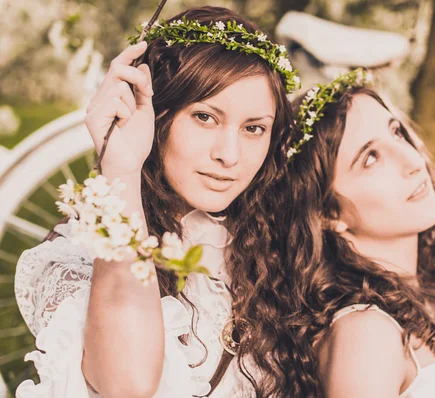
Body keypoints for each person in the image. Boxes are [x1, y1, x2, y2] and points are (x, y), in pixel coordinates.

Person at [13, 6, 298, 397]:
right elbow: (127, 385)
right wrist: (123, 168)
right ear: (157, 115)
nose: (229, 155)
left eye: (254, 128)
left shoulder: (275, 245)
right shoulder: (77, 259)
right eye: (205, 117)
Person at [261, 70, 435, 397]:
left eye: (397, 133)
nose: (413, 161)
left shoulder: (414, 303)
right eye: (371, 158)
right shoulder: (366, 334)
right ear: (328, 214)